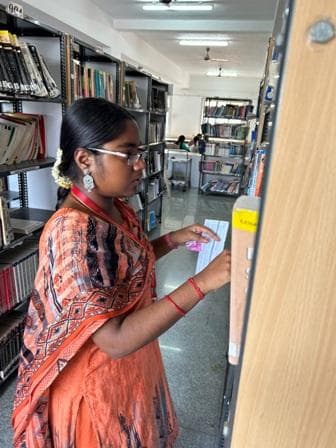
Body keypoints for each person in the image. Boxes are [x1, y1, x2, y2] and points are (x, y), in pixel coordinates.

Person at [12, 98, 231, 448]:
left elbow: (124, 266)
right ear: (85, 159)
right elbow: (114, 340)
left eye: (140, 152)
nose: (141, 165)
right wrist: (201, 284)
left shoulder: (115, 207)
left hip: (132, 367)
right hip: (98, 389)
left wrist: (173, 240)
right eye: (128, 154)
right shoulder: (72, 234)